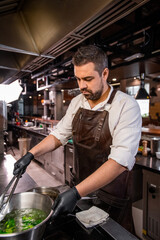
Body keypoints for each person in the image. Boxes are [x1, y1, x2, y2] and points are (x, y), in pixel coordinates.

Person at [13, 45, 142, 231]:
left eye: (88, 79)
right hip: (81, 192)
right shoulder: (77, 102)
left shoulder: (126, 106)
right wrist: (30, 155)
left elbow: (119, 162)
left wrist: (75, 192)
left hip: (112, 200)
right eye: (78, 79)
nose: (81, 86)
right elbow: (59, 135)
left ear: (104, 74)